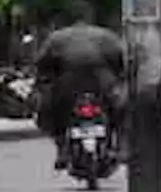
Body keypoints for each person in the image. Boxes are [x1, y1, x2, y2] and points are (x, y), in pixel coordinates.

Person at [34, 17, 128, 169]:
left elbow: (42, 65)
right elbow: (122, 62)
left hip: (69, 86)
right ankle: (121, 147)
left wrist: (44, 82)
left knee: (50, 111)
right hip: (102, 84)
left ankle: (61, 149)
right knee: (120, 111)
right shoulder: (107, 36)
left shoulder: (56, 38)